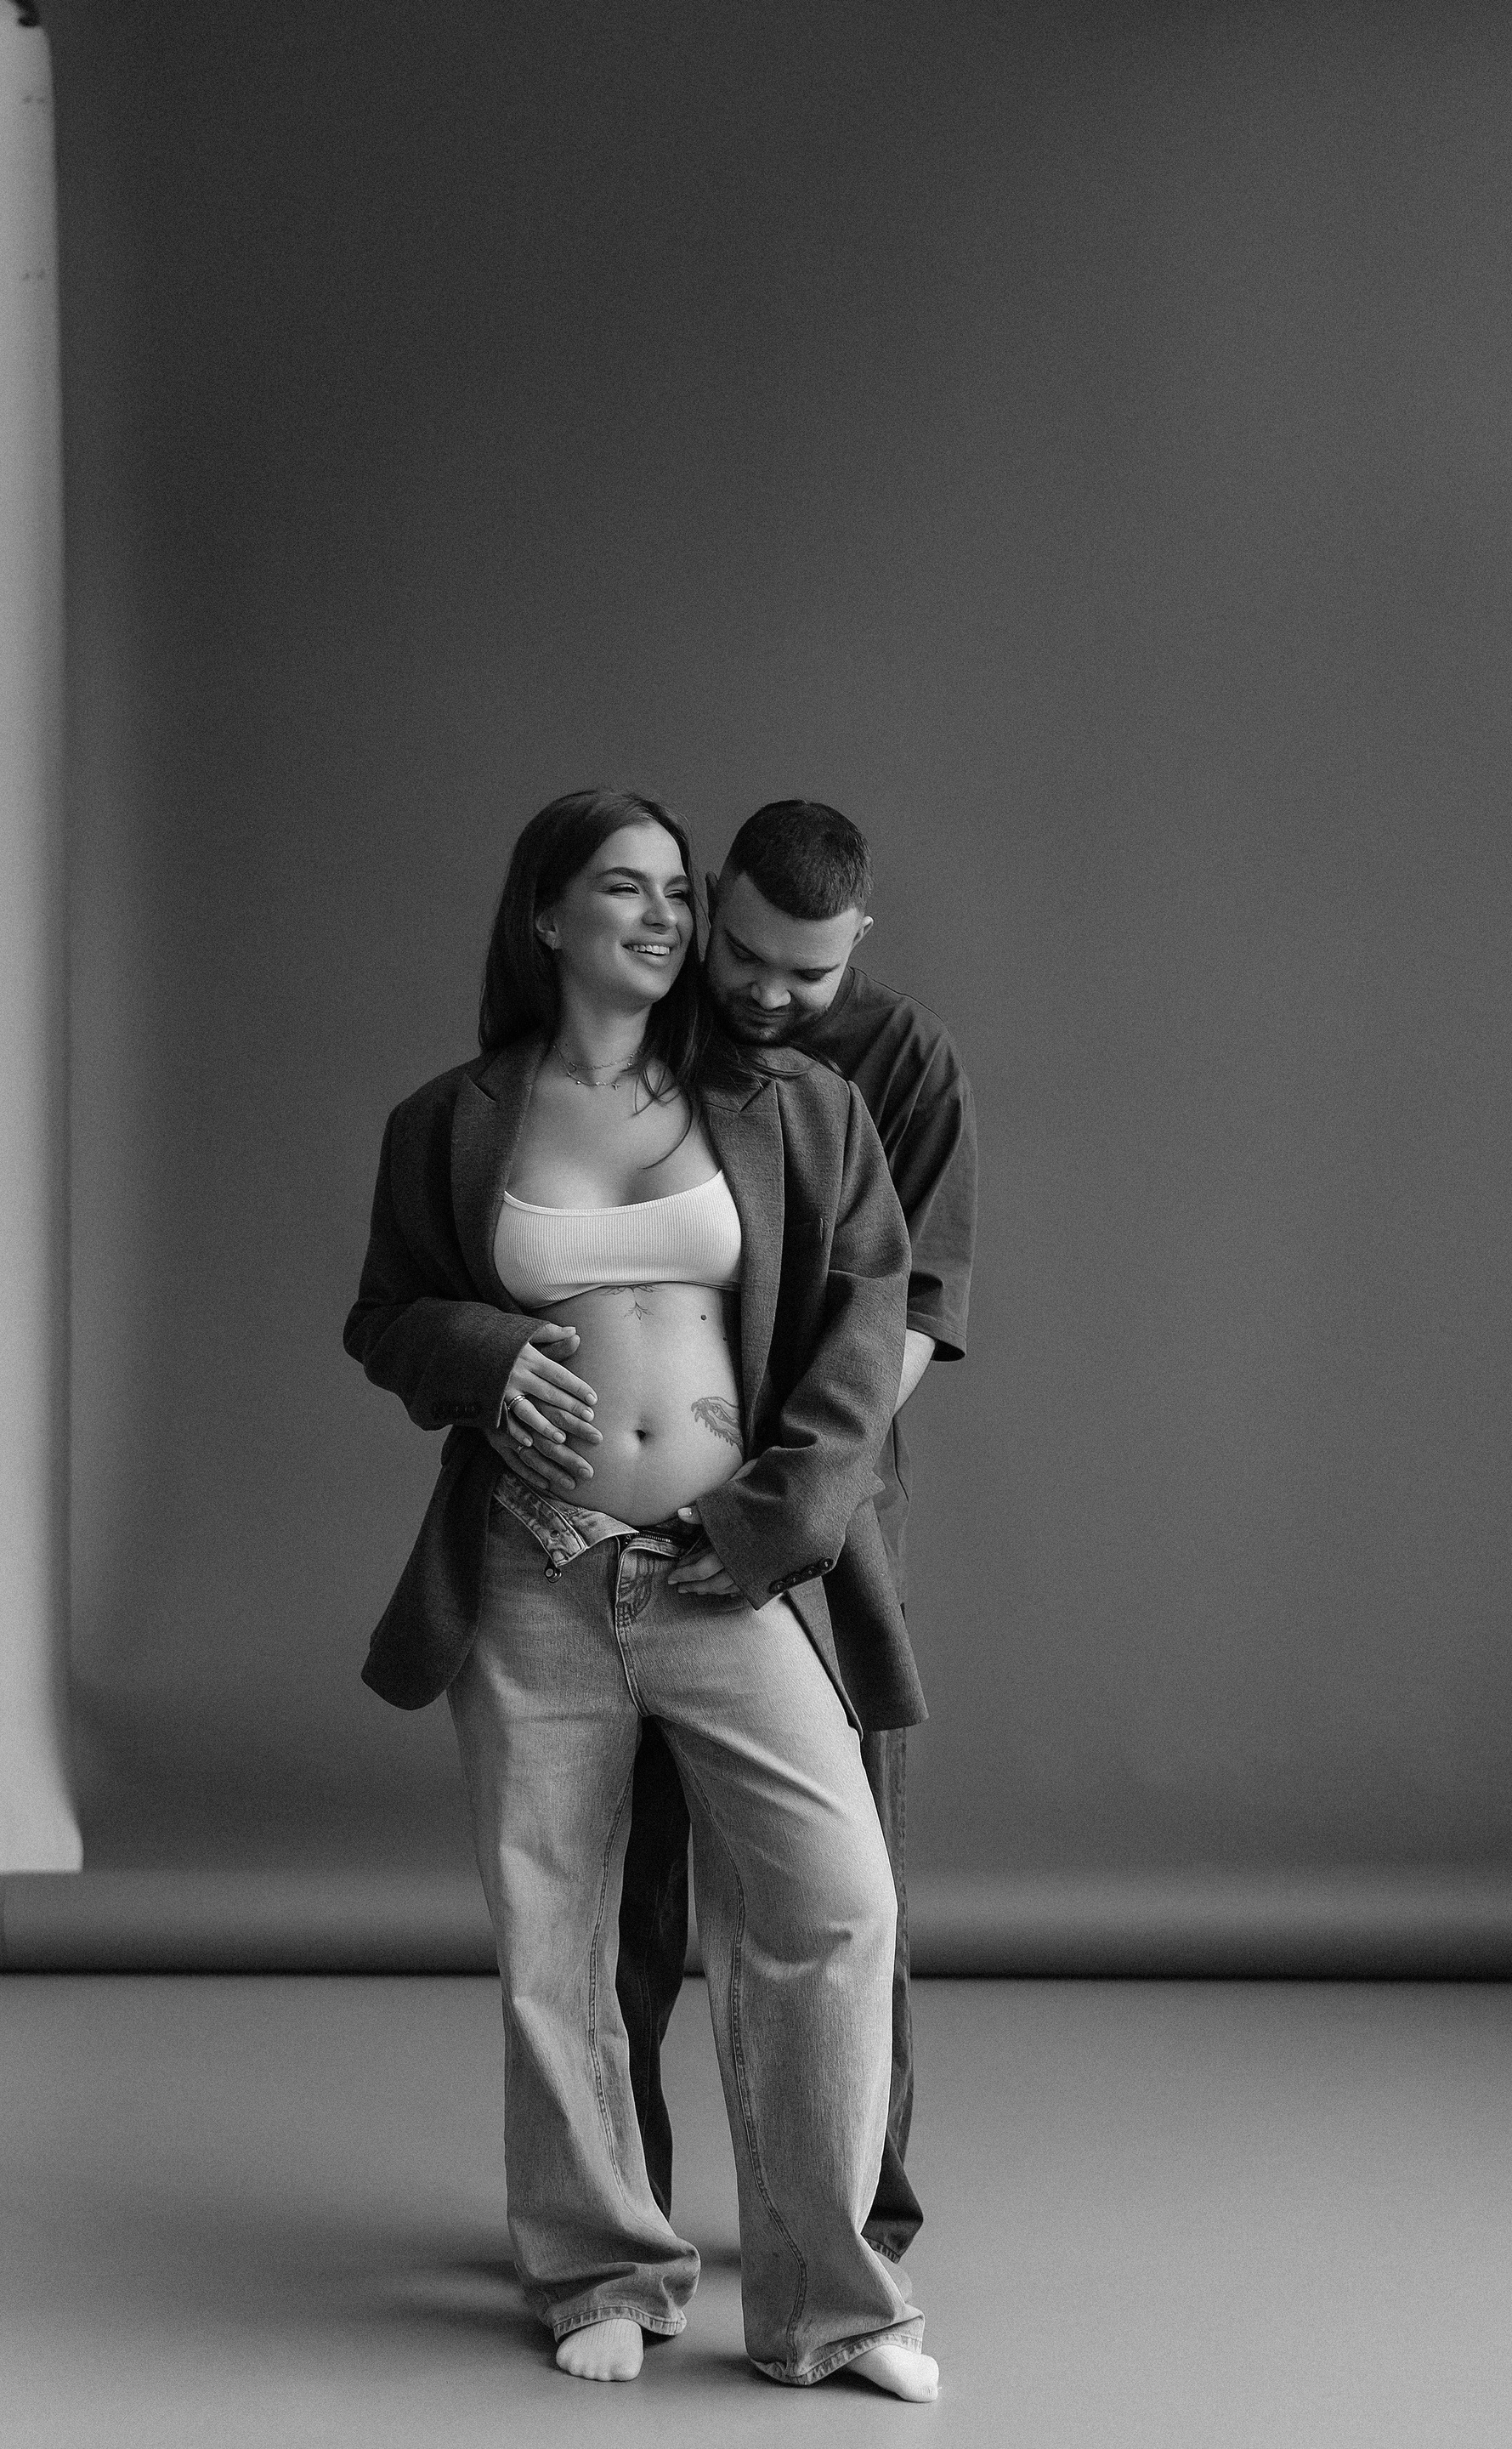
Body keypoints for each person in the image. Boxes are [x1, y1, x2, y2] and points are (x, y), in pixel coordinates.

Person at [343, 789, 939, 2398]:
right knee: (559, 1934)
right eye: (628, 886)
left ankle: (831, 2303)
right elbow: (386, 1316)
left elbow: (865, 1326)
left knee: (835, 1899)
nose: (667, 915)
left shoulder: (791, 1101)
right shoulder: (453, 1120)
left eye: (681, 889)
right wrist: (480, 1354)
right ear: (548, 914)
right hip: (534, 1567)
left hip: (722, 1570)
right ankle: (599, 2264)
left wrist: (770, 1527)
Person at [496, 800, 977, 2272]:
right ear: (713, 904)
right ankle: (618, 2226)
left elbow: (902, 1317)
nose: (766, 990)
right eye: (744, 953)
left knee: (842, 1882)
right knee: (618, 1890)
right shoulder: (657, 1026)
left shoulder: (900, 1063)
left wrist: (779, 1498)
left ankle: (858, 2229)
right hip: (610, 1545)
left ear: (861, 940)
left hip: (816, 1526)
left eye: (804, 973)